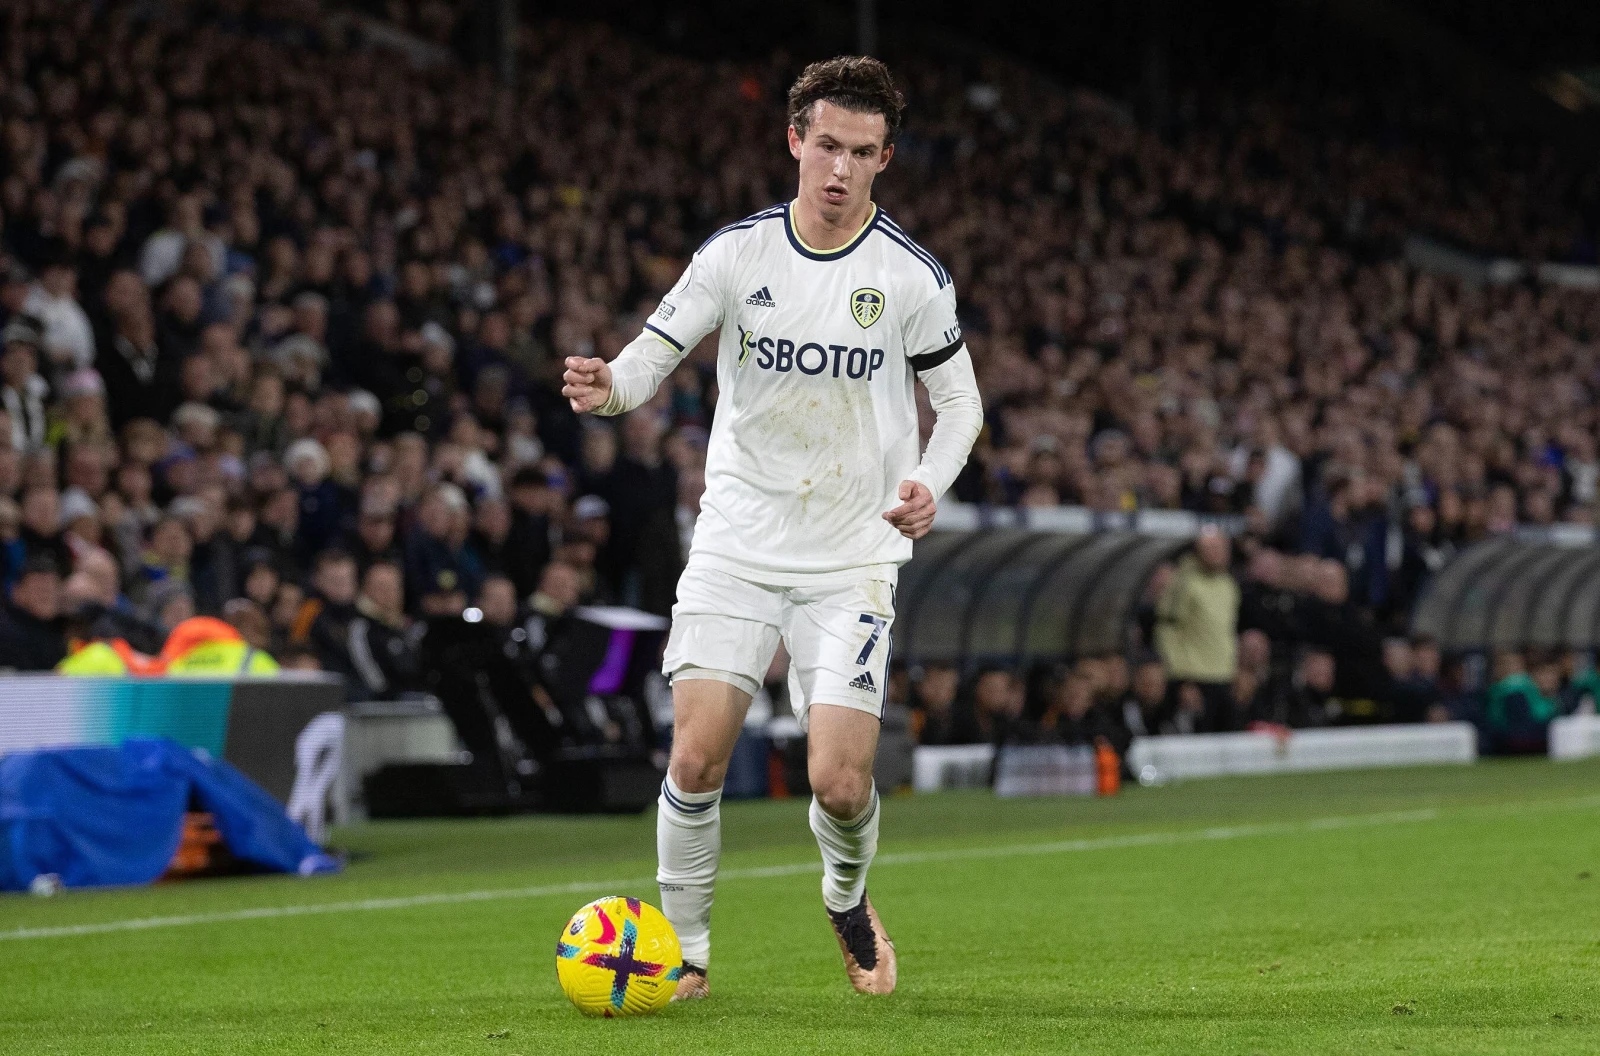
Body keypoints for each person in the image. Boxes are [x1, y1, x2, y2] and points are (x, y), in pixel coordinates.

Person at [560, 57, 983, 999]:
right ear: (795, 140)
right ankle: (688, 953)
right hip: (738, 546)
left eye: (861, 153)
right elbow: (650, 358)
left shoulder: (908, 277)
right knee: (696, 757)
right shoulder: (737, 255)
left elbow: (959, 406)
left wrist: (927, 480)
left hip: (852, 557)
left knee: (837, 782)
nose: (839, 168)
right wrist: (607, 388)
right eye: (826, 145)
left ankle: (845, 893)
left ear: (884, 161)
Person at [1152, 528, 1240, 732]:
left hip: (1223, 676)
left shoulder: (1228, 584)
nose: (1217, 554)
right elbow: (1167, 631)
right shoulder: (1182, 583)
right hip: (1194, 679)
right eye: (1210, 548)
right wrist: (1182, 680)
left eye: (1220, 548)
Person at [0, 555, 66, 670]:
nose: (47, 595)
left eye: (52, 588)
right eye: (39, 589)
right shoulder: (6, 634)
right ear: (17, 592)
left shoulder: (61, 630)